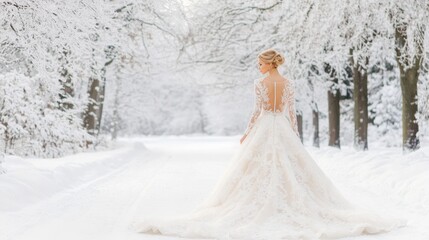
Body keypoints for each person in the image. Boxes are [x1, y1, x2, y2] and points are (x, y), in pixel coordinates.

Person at [132, 49, 407, 239]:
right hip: (283, 128)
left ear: (269, 64)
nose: (258, 67)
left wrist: (247, 132)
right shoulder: (288, 83)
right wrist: (295, 136)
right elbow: (290, 112)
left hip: (265, 126)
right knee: (290, 168)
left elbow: (257, 111)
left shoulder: (260, 83)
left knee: (256, 169)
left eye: (260, 63)